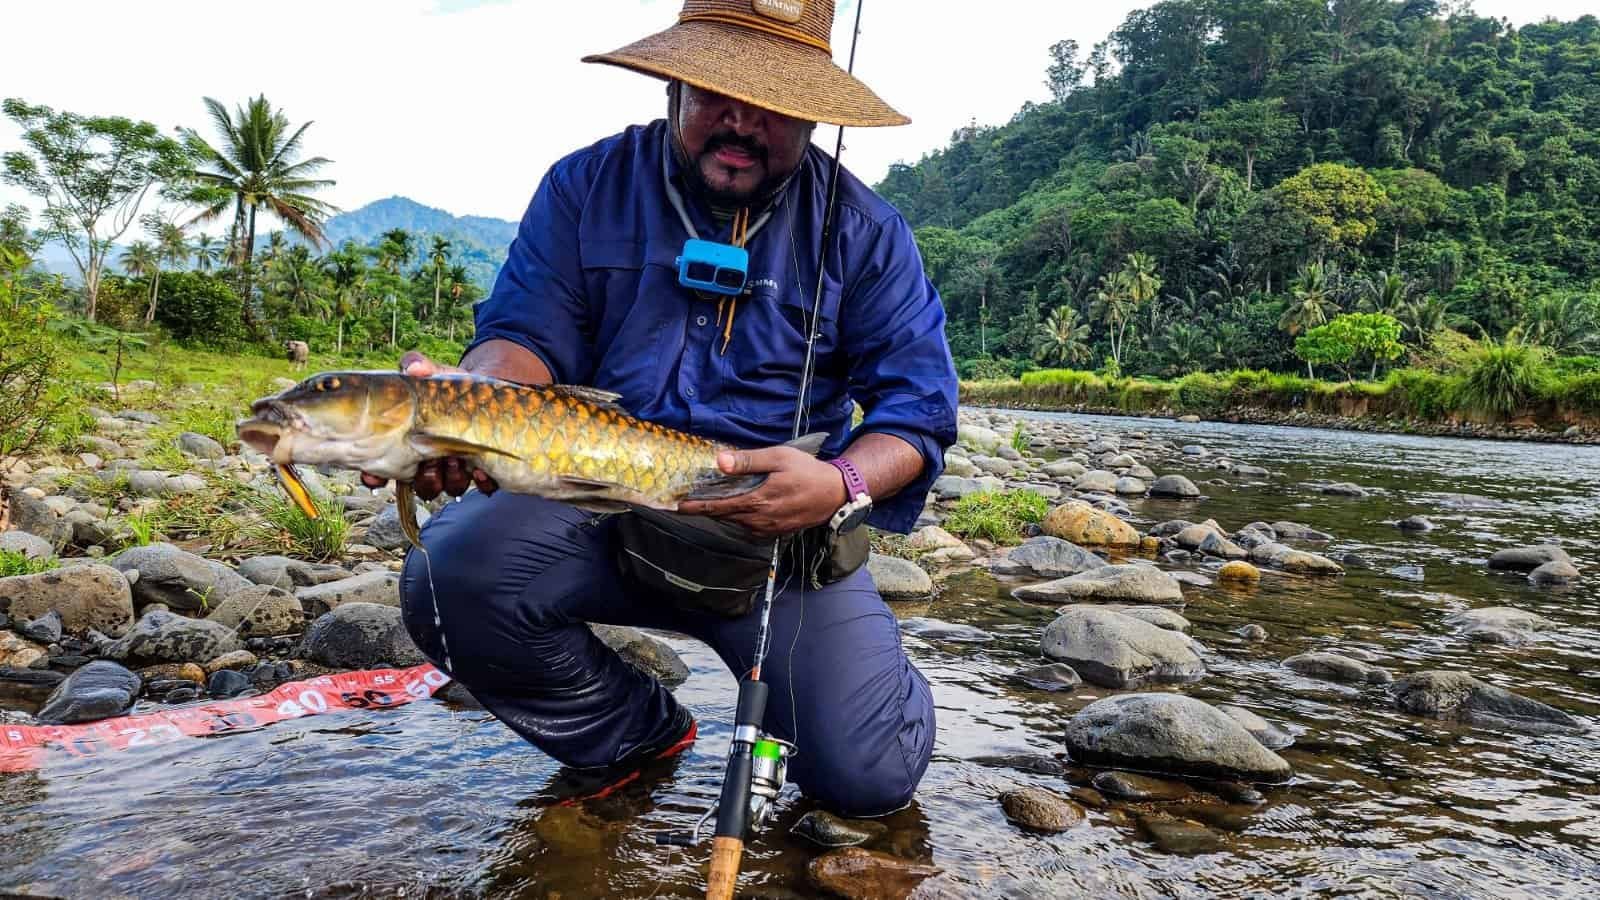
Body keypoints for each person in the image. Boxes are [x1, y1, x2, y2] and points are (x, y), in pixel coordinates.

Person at [368, 0, 958, 818]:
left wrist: (840, 481)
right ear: (672, 83)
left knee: (868, 780)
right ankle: (632, 734)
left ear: (816, 117)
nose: (740, 120)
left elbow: (917, 411)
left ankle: (863, 683)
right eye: (716, 90)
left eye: (774, 103)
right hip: (593, 503)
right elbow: (522, 337)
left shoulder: (867, 232)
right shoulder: (586, 186)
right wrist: (469, 407)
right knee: (447, 576)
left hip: (774, 529)